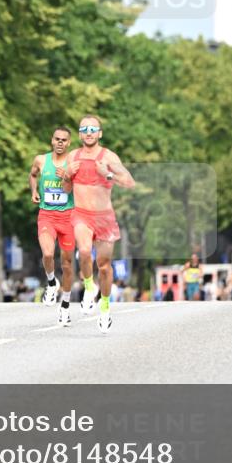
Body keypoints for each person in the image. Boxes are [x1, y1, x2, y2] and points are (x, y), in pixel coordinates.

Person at [67, 115, 135, 334]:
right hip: (81, 214)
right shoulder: (72, 156)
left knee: (104, 266)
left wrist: (107, 174)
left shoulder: (109, 157)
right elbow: (66, 188)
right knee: (84, 251)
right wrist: (67, 175)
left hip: (104, 218)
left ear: (100, 133)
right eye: (84, 129)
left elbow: (129, 182)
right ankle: (89, 287)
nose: (88, 133)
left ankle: (104, 306)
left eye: (93, 129)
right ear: (79, 134)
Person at [29, 127, 75, 326]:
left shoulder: (73, 163)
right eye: (57, 139)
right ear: (52, 140)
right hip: (47, 215)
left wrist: (67, 177)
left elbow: (81, 188)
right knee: (47, 253)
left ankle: (65, 306)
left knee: (67, 264)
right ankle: (50, 282)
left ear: (69, 143)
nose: (60, 142)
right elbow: (33, 175)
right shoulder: (41, 160)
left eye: (64, 140)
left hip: (68, 217)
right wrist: (33, 191)